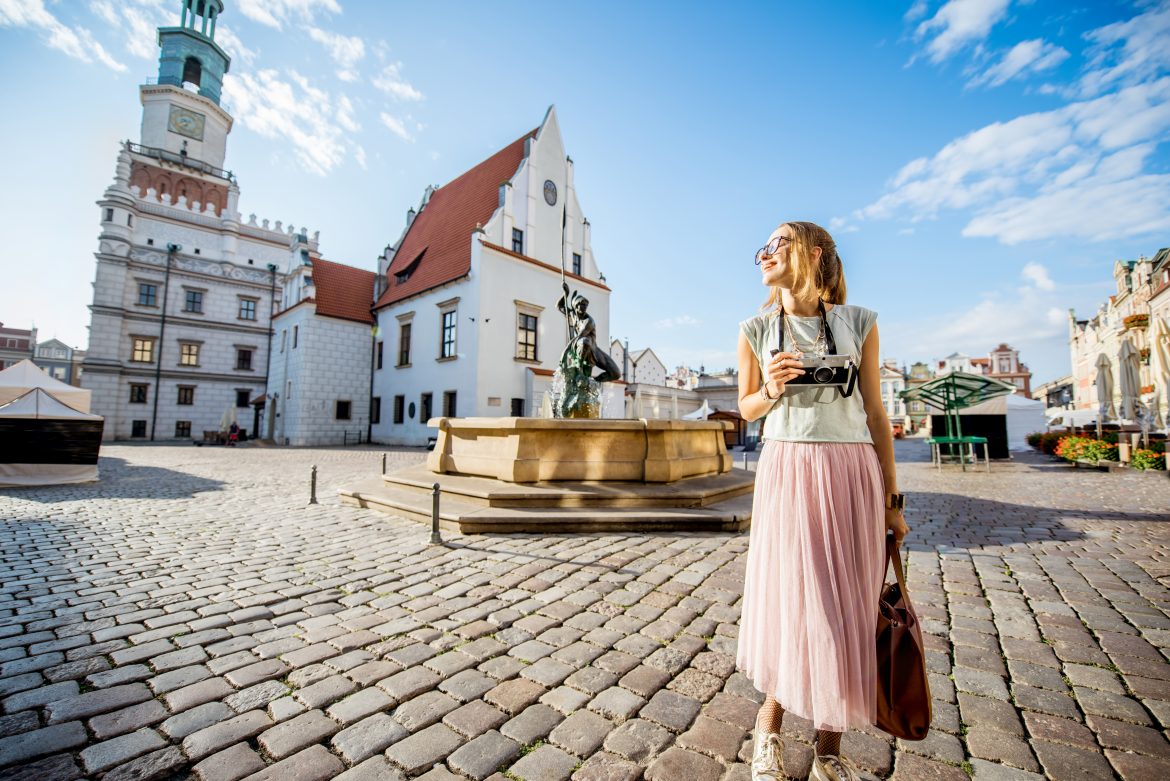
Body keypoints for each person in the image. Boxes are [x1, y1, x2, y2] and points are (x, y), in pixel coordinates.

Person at [736, 221, 908, 781]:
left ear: (811, 254)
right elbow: (745, 409)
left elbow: (878, 416)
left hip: (852, 470)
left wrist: (892, 500)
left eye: (776, 243)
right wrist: (771, 388)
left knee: (848, 607)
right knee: (798, 602)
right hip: (789, 470)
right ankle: (768, 729)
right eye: (762, 247)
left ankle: (828, 751)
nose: (764, 253)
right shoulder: (756, 329)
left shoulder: (860, 323)